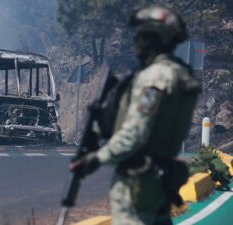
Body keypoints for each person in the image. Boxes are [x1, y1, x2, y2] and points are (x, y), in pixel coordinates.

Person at [71, 5, 201, 225]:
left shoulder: (153, 79)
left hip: (138, 181)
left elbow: (135, 133)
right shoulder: (181, 75)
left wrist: (96, 159)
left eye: (141, 36)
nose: (137, 42)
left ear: (153, 39)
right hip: (163, 177)